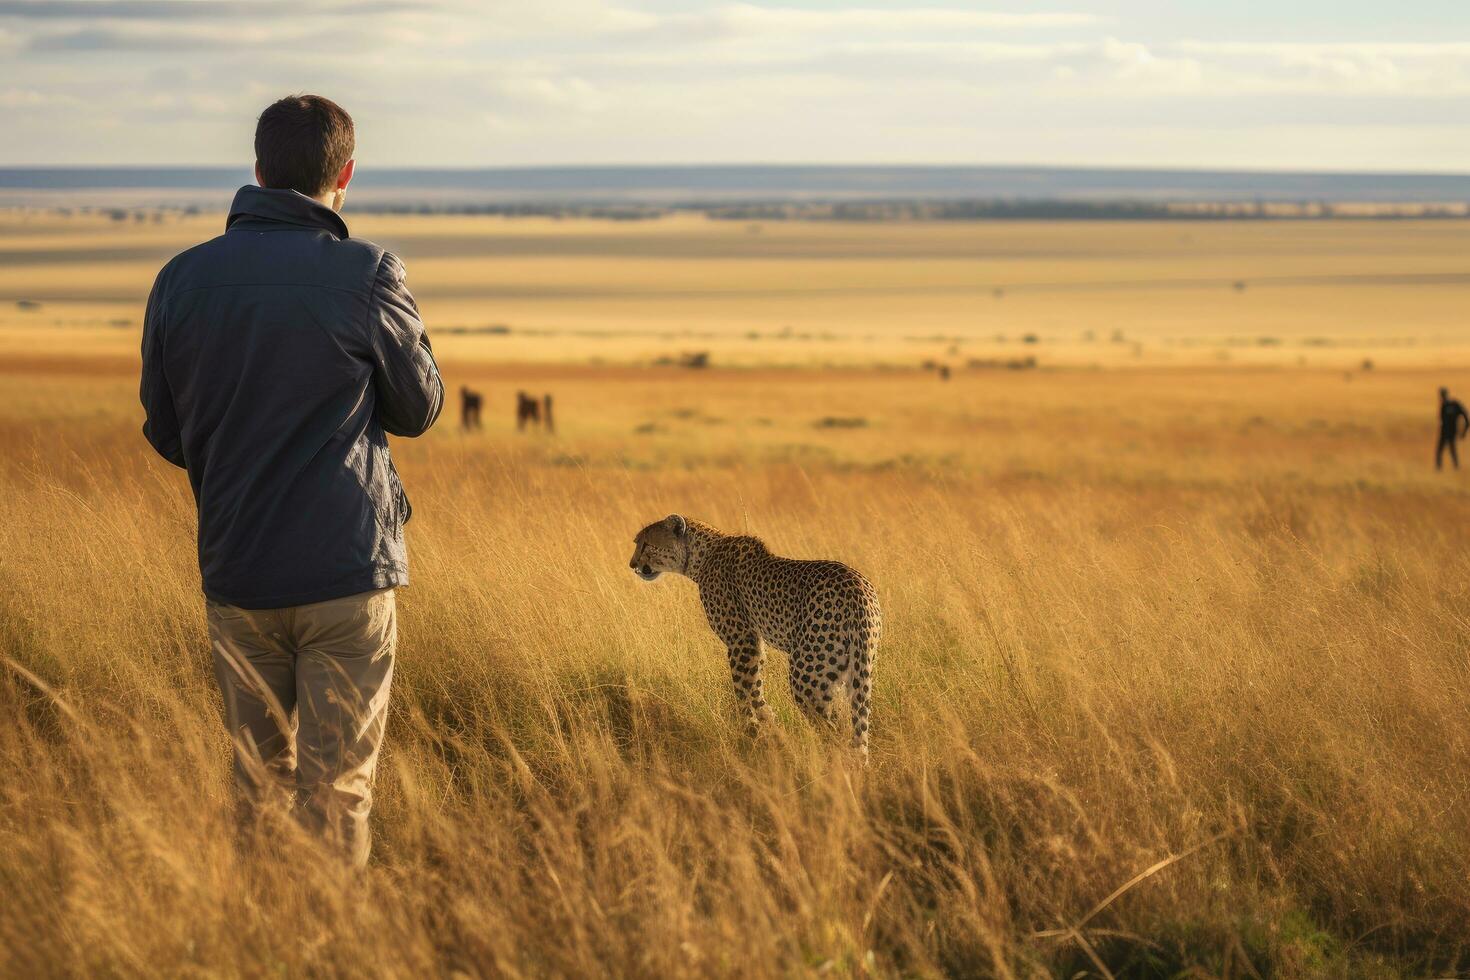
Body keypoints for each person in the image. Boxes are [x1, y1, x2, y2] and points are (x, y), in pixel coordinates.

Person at [139, 94, 443, 867]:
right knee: (337, 789)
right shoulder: (367, 271)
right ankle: (328, 951)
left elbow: (165, 428)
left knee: (256, 783)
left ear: (257, 172)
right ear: (345, 174)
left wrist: (237, 461)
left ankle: (261, 940)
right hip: (346, 571)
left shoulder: (180, 278)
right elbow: (419, 409)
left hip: (237, 569)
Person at [1437, 387, 1469, 470]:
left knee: (1443, 451)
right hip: (1449, 432)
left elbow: (1465, 416)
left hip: (1447, 432)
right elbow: (1465, 415)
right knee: (1450, 451)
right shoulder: (1453, 405)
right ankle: (1454, 468)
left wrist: (1465, 430)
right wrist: (1465, 430)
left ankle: (1441, 470)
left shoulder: (1449, 405)